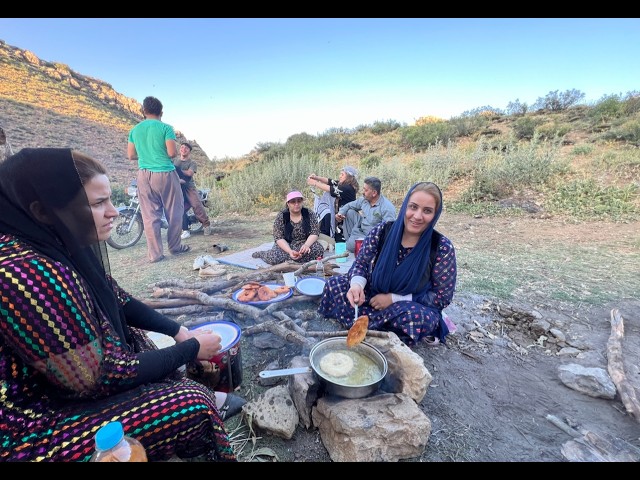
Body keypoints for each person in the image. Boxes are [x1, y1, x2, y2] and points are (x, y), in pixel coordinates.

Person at [0, 148, 244, 462]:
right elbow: (102, 376)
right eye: (99, 203)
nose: (113, 212)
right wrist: (191, 348)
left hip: (69, 383)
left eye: (110, 199)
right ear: (43, 211)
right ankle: (195, 415)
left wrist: (178, 330)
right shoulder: (23, 273)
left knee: (140, 342)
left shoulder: (57, 241)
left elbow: (119, 299)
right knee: (192, 401)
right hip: (31, 426)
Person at [318, 182, 457, 346]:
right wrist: (357, 286)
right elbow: (361, 264)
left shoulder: (441, 247)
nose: (418, 216)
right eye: (413, 207)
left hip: (409, 303)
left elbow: (441, 297)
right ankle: (374, 330)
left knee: (419, 319)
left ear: (435, 214)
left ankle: (366, 328)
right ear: (405, 206)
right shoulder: (383, 231)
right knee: (334, 285)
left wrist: (393, 299)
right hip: (373, 294)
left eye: (427, 211)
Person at [127, 96, 189, 263]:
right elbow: (171, 153)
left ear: (144, 111)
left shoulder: (135, 130)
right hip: (165, 173)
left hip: (143, 175)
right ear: (161, 112)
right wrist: (157, 154)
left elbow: (131, 155)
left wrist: (147, 155)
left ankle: (155, 254)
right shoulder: (165, 128)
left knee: (149, 215)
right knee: (175, 211)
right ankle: (175, 246)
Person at [252, 190, 325, 265]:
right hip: (287, 244)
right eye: (293, 202)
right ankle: (263, 254)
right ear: (288, 203)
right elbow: (278, 237)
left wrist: (306, 245)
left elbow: (315, 232)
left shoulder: (309, 213)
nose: (296, 204)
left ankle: (293, 260)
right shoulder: (282, 215)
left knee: (318, 250)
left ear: (302, 202)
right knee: (274, 257)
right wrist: (290, 251)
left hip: (304, 243)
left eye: (299, 201)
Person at [335, 176, 397, 253]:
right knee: (349, 212)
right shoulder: (364, 200)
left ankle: (354, 245)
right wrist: (340, 213)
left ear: (374, 193)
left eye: (366, 190)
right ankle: (352, 242)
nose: (363, 192)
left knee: (350, 247)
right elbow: (349, 205)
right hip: (360, 229)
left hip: (373, 238)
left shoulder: (387, 208)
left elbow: (388, 232)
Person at [306, 165, 359, 242]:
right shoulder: (344, 185)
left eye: (342, 174)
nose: (340, 176)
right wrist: (316, 178)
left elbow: (330, 188)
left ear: (349, 177)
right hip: (342, 219)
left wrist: (314, 183)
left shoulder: (347, 188)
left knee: (340, 241)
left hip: (347, 221)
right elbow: (330, 181)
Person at [174, 141, 213, 239]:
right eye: (182, 147)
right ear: (180, 150)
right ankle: (185, 230)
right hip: (178, 187)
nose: (184, 149)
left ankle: (206, 225)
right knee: (179, 209)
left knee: (196, 205)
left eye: (186, 148)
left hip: (189, 187)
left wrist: (177, 170)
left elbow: (190, 173)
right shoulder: (175, 162)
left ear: (189, 151)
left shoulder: (192, 163)